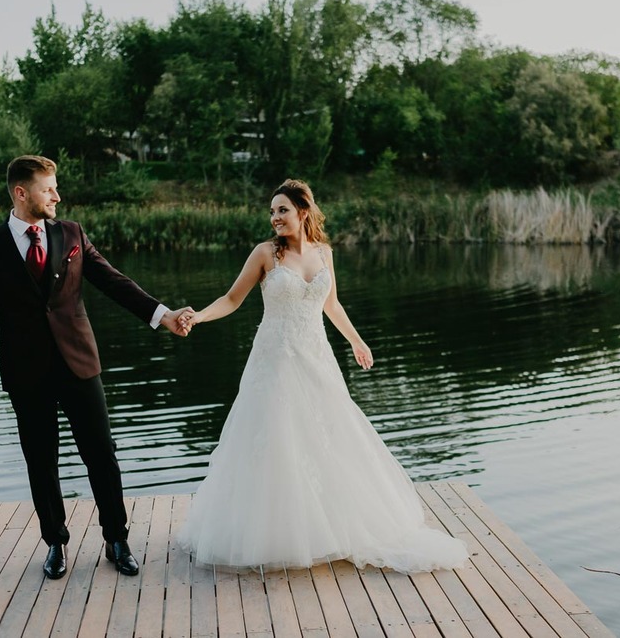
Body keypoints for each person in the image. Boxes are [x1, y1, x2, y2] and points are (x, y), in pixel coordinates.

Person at [176, 179, 468, 573]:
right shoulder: (265, 254)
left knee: (328, 436)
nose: (275, 218)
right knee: (277, 438)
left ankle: (332, 527)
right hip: (275, 360)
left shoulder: (324, 253)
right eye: (272, 212)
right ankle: (275, 532)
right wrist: (199, 315)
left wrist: (357, 342)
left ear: (303, 211)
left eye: (282, 210)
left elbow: (331, 305)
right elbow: (232, 299)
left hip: (317, 357)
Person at [0, 155, 191, 580]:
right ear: (21, 192)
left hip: (79, 364)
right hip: (26, 372)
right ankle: (55, 542)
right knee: (40, 460)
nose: (57, 195)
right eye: (48, 188)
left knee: (101, 454)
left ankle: (116, 538)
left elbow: (113, 281)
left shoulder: (71, 233)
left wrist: (162, 315)